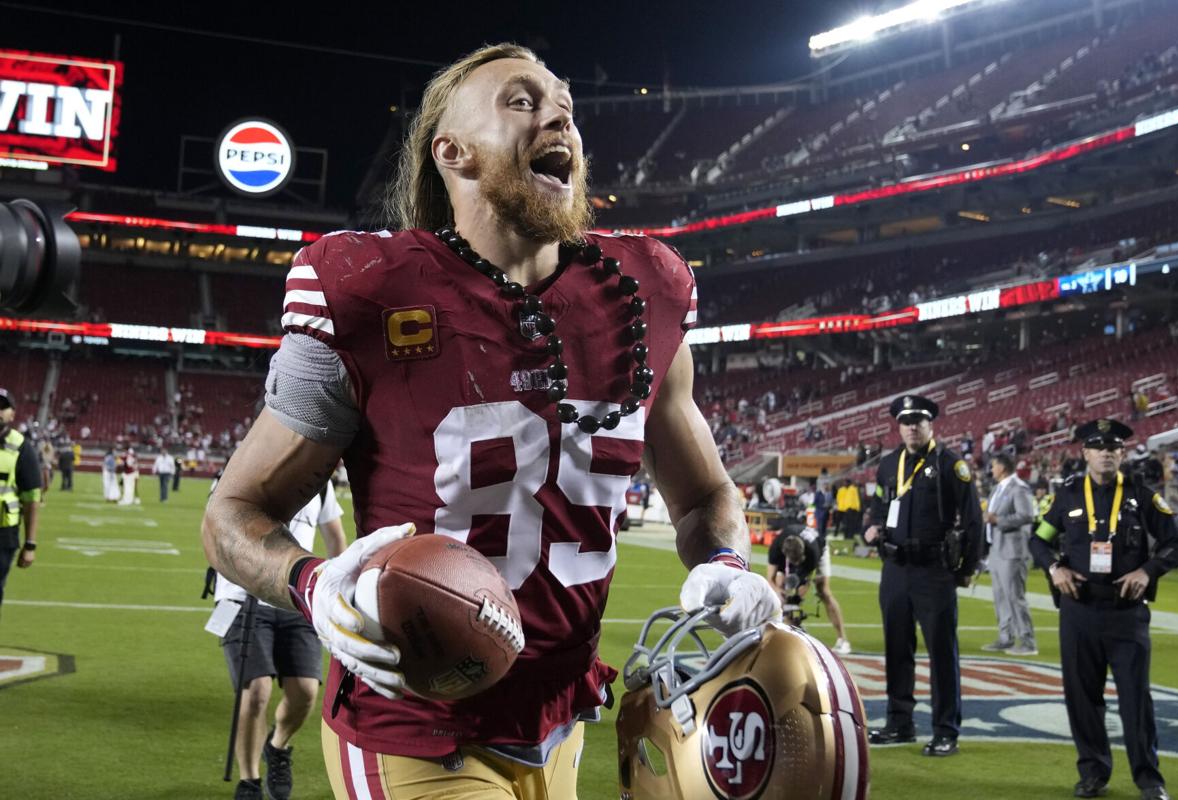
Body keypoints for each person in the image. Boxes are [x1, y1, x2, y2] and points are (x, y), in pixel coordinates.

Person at [202, 43, 780, 800]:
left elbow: (705, 498)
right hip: (413, 722)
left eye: (565, 107)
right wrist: (313, 583)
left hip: (562, 721)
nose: (559, 118)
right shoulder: (366, 288)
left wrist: (728, 563)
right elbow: (232, 514)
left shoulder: (647, 290)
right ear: (454, 152)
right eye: (522, 101)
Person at [1030, 419, 1178, 800]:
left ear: (1123, 453)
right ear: (1084, 453)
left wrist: (1148, 571)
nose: (1106, 453)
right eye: (1098, 447)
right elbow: (1038, 541)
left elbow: (1176, 544)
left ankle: (1149, 779)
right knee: (1082, 696)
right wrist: (1055, 568)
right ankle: (1093, 772)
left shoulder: (1141, 495)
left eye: (1113, 447)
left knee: (1135, 697)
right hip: (1079, 610)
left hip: (1126, 611)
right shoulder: (1065, 496)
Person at [212, 480, 347, 800]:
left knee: (305, 693)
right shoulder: (243, 470)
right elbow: (217, 529)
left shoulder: (319, 483)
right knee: (256, 690)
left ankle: (277, 746)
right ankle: (249, 782)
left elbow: (336, 539)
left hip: (295, 599)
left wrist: (336, 592)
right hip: (243, 596)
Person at [864, 394, 983, 757]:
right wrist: (870, 529)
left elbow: (974, 519)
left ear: (930, 425)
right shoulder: (887, 466)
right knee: (897, 649)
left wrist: (965, 569)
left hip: (934, 570)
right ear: (898, 426)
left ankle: (946, 729)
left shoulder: (950, 464)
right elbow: (878, 507)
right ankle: (900, 722)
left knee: (941, 653)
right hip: (896, 569)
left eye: (918, 421)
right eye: (905, 422)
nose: (911, 428)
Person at [767, 519, 852, 654]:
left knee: (823, 591)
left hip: (820, 547)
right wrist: (780, 593)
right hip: (793, 550)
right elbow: (769, 579)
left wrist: (793, 599)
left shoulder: (812, 552)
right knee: (779, 589)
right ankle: (788, 634)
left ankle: (843, 640)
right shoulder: (776, 547)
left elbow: (805, 584)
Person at [982, 452, 1038, 655]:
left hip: (1012, 550)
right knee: (1000, 597)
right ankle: (1006, 638)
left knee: (1015, 597)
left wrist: (999, 521)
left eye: (994, 466)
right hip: (996, 549)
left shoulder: (1019, 488)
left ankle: (1027, 641)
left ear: (1003, 467)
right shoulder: (997, 488)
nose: (991, 469)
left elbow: (1027, 515)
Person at [0, 389, 41, 614]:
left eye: (2, 407)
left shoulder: (22, 448)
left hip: (3, 534)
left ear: (12, 414)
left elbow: (31, 501)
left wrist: (30, 544)